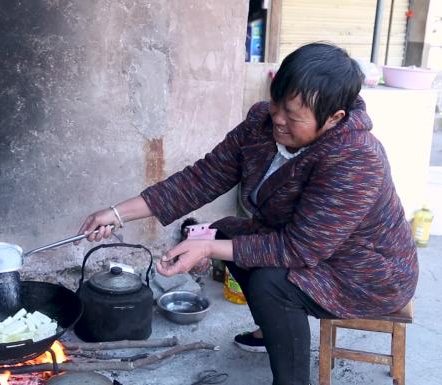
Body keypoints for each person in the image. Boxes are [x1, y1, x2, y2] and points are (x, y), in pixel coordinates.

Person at [78, 42, 418, 385]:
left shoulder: (356, 159)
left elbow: (300, 249)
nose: (279, 120)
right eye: (277, 103)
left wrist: (207, 249)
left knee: (272, 282)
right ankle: (275, 328)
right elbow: (201, 178)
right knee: (224, 232)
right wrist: (117, 213)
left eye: (294, 116)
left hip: (364, 271)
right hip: (310, 248)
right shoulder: (261, 123)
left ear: (334, 118)